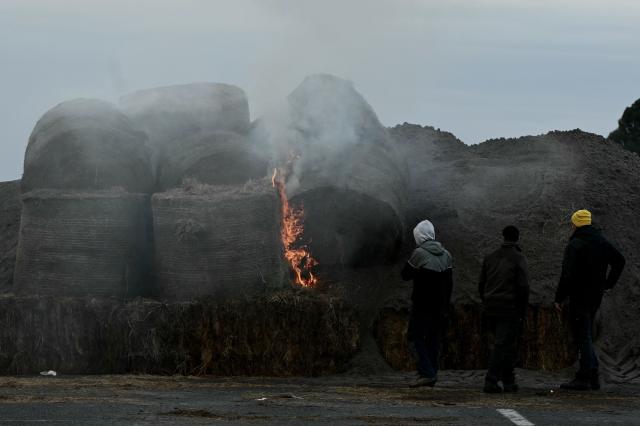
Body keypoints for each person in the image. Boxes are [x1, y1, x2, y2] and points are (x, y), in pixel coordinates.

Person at [555, 209, 625, 390]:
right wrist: (607, 284)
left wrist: (559, 298)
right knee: (586, 333)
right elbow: (620, 261)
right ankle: (593, 375)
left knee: (582, 335)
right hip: (595, 296)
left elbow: (567, 274)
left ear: (575, 224)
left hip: (579, 295)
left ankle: (584, 376)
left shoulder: (576, 244)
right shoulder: (601, 241)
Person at [401, 219, 453, 388]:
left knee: (414, 337)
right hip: (441, 306)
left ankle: (427, 373)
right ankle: (431, 372)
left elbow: (405, 274)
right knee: (433, 339)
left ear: (419, 236)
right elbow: (449, 284)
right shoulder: (446, 255)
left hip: (422, 304)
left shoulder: (419, 253)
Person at [478, 225, 529, 393]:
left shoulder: (490, 257)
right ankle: (491, 380)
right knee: (503, 344)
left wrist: (486, 301)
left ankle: (508, 381)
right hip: (508, 307)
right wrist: (522, 310)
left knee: (505, 344)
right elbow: (523, 286)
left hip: (490, 306)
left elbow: (481, 284)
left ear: (503, 236)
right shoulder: (518, 258)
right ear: (517, 238)